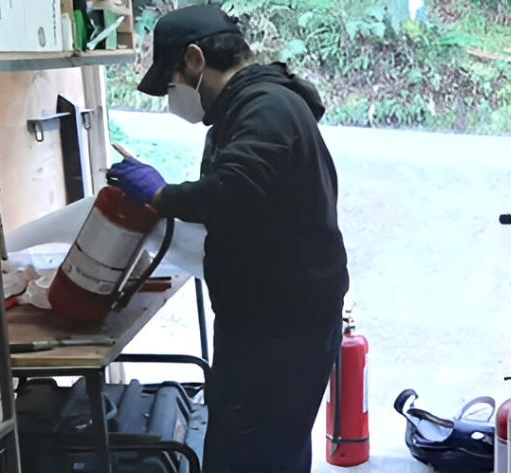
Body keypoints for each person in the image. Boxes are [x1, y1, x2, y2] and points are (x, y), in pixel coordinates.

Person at [106, 4, 349, 472]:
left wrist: (161, 193)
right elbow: (250, 199)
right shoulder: (252, 106)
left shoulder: (266, 108)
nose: (173, 97)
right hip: (273, 319)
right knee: (271, 452)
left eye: (172, 83)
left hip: (281, 329)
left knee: (251, 457)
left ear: (196, 60)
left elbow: (234, 191)